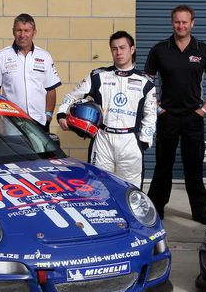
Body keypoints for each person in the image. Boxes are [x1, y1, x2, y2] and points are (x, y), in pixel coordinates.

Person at [144, 5, 206, 224]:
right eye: (177, 22)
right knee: (162, 166)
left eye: (185, 22)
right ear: (172, 23)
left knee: (194, 166)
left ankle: (199, 211)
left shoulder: (202, 50)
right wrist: (157, 107)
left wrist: (204, 109)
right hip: (167, 117)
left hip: (192, 118)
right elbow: (147, 81)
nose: (181, 26)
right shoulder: (160, 49)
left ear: (192, 23)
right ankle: (157, 210)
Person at [56, 31, 157, 188]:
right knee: (98, 187)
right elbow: (73, 95)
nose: (118, 52)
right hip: (103, 138)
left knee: (131, 190)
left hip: (130, 141)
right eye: (114, 48)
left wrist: (144, 142)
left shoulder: (146, 82)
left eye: (122, 48)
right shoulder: (98, 76)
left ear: (132, 50)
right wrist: (61, 113)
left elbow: (150, 115)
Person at [0, 13, 62, 129]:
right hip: (11, 123)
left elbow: (51, 89)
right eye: (18, 30)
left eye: (26, 30)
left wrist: (48, 116)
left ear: (34, 32)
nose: (22, 35)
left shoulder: (45, 56)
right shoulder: (1, 56)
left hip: (39, 122)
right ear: (13, 32)